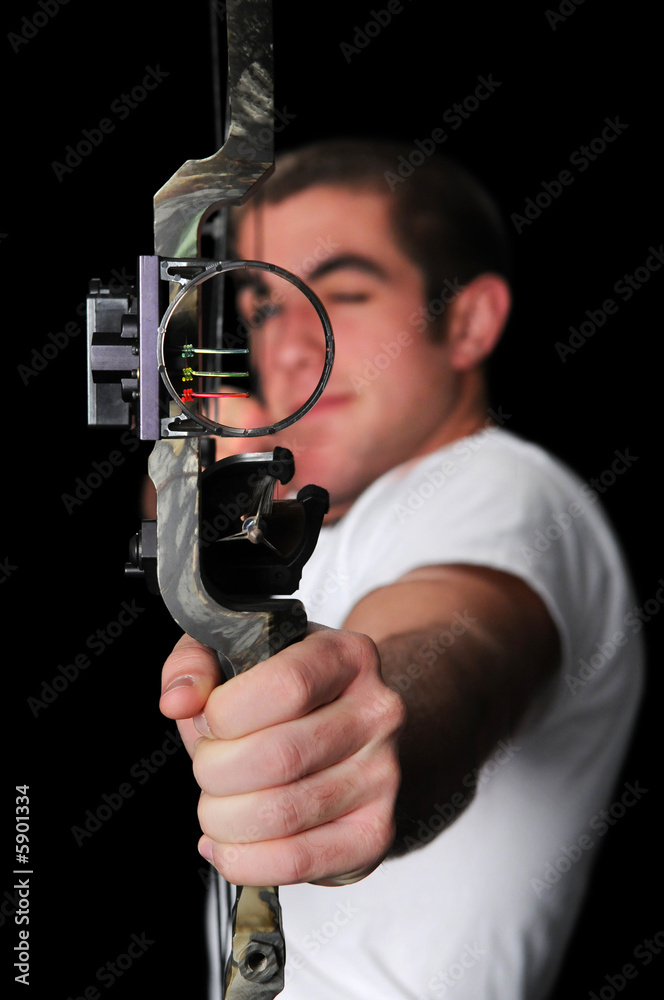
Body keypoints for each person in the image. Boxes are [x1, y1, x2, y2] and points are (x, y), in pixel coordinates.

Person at [159, 139, 643, 999]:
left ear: (470, 321)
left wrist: (357, 730)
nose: (291, 351)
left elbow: (457, 650)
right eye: (263, 308)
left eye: (342, 294)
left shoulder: (499, 488)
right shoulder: (327, 515)